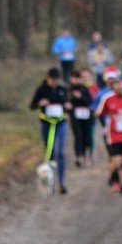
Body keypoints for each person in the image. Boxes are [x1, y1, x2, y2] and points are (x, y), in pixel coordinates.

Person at [29, 67, 71, 195]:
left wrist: (68, 106)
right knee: (49, 152)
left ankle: (62, 182)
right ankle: (49, 184)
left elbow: (69, 104)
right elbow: (32, 106)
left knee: (61, 153)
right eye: (52, 80)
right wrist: (40, 103)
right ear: (48, 79)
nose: (54, 82)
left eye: (56, 80)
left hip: (61, 123)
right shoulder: (41, 90)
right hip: (47, 124)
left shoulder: (63, 90)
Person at [68, 69, 95, 168]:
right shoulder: (68, 90)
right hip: (75, 117)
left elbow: (89, 102)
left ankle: (85, 154)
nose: (76, 81)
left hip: (86, 116)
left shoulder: (84, 89)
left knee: (86, 136)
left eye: (77, 78)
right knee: (78, 136)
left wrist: (80, 97)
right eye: (74, 78)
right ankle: (79, 156)